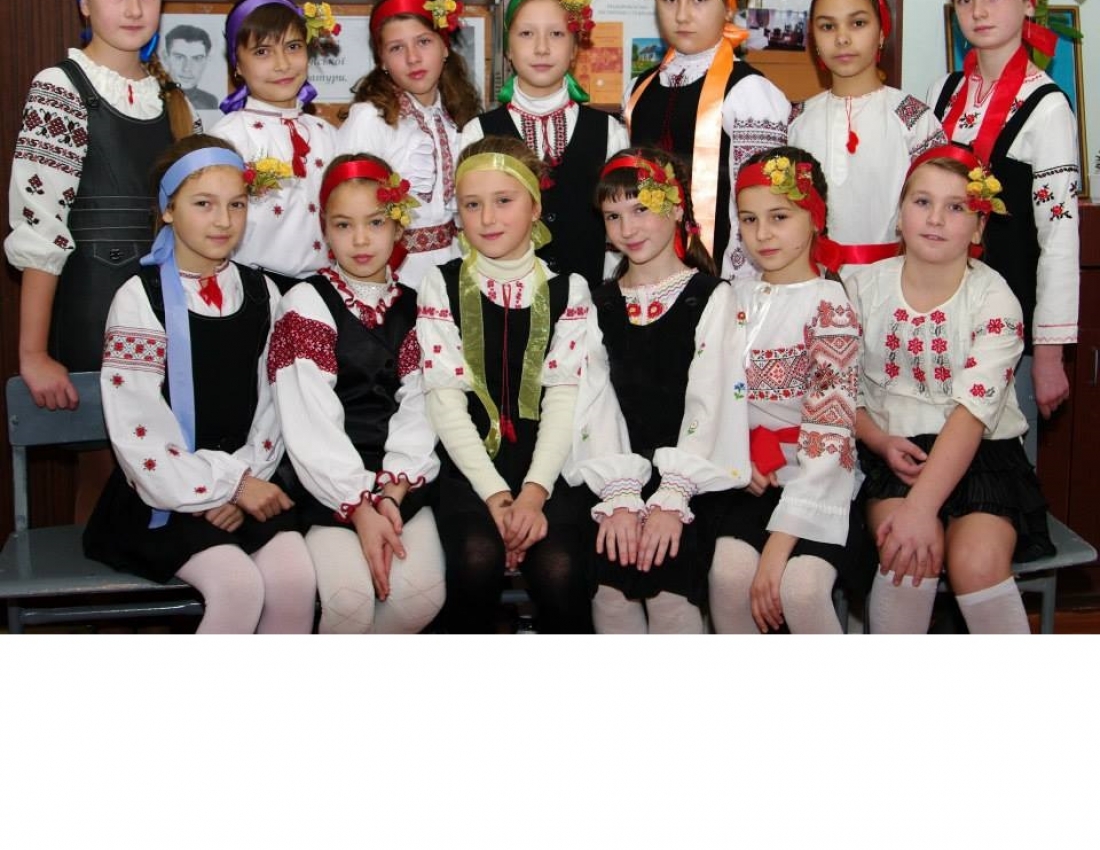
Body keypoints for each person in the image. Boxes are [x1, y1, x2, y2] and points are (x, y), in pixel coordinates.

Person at [83, 135, 317, 634]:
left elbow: (275, 406)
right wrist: (227, 487)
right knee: (237, 586)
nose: (223, 220)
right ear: (168, 210)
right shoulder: (138, 298)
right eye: (203, 204)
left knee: (296, 579)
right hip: (161, 493)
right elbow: (137, 427)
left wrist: (244, 484)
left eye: (236, 204)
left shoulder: (263, 292)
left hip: (250, 481)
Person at [850, 144, 1052, 634]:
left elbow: (972, 414)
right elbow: (838, 391)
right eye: (922, 202)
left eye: (956, 207)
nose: (936, 218)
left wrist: (923, 507)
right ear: (900, 215)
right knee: (908, 552)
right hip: (894, 451)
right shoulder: (860, 288)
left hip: (981, 452)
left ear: (980, 226)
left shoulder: (995, 298)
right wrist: (879, 441)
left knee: (977, 564)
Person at [5, 0, 194, 521]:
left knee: (174, 470)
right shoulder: (60, 88)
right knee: (105, 477)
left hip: (168, 314)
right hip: (94, 316)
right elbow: (40, 227)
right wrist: (33, 354)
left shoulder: (172, 99)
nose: (133, 9)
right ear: (84, 5)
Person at [416, 136, 593, 633]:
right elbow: (445, 403)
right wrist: (497, 497)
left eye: (504, 201)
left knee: (560, 570)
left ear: (534, 206)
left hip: (550, 467)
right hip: (467, 466)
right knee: (476, 558)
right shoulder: (440, 284)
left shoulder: (570, 290)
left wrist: (533, 494)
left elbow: (564, 400)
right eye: (472, 205)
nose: (488, 219)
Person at [569, 147, 750, 633]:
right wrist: (620, 495)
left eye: (641, 209)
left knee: (670, 597)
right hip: (617, 476)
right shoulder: (599, 303)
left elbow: (710, 401)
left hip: (693, 479)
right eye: (613, 216)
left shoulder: (711, 296)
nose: (627, 229)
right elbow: (595, 404)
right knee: (610, 596)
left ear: (676, 207)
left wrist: (672, 496)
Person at [269, 154, 445, 634]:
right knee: (349, 602)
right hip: (324, 482)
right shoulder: (306, 303)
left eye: (375, 223)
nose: (361, 240)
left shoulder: (417, 306)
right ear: (325, 229)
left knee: (421, 596)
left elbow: (422, 406)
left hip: (399, 479)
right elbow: (309, 421)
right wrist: (359, 507)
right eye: (344, 225)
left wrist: (393, 491)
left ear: (399, 226)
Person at [708, 147, 864, 634]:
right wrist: (736, 458)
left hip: (816, 478)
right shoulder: (730, 297)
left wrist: (779, 546)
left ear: (814, 217)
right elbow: (710, 397)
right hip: (748, 477)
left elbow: (831, 431)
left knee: (800, 588)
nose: (762, 234)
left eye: (779, 216)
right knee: (728, 576)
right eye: (749, 219)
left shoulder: (829, 306)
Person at [930, 0, 1079, 420]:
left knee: (1000, 453)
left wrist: (1049, 354)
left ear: (1029, 5)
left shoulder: (1047, 107)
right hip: (934, 317)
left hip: (1006, 324)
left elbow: (1059, 238)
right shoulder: (942, 93)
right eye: (965, 0)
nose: (978, 11)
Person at [459, 0, 629, 291]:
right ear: (508, 49)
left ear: (575, 47)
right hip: (505, 297)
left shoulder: (609, 131)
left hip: (590, 298)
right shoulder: (478, 133)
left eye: (556, 34)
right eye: (526, 34)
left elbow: (619, 224)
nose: (541, 48)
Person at [624, 0, 789, 281]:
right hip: (648, 273)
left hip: (719, 275)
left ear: (728, 9)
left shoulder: (748, 91)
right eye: (670, 1)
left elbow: (763, 202)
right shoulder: (638, 90)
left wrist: (739, 283)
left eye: (698, 1)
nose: (682, 15)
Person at [789, 0, 946, 273]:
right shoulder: (796, 121)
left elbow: (940, 210)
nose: (842, 38)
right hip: (811, 282)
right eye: (827, 26)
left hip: (896, 280)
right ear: (813, 38)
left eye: (858, 23)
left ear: (882, 32)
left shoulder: (914, 119)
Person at [336, 0, 481, 291]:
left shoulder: (459, 116)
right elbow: (343, 207)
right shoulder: (370, 119)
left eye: (423, 42)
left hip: (455, 270)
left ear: (444, 47)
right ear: (381, 60)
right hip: (394, 277)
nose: (413, 58)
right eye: (396, 48)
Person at [209, 0, 339, 289]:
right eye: (262, 52)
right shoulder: (228, 138)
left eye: (293, 47)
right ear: (237, 64)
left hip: (324, 290)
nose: (282, 64)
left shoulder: (327, 134)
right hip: (251, 288)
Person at [164, 24, 219, 110]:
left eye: (197, 58)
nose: (187, 68)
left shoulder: (211, 103)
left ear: (206, 61)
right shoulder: (151, 99)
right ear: (166, 58)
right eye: (179, 57)